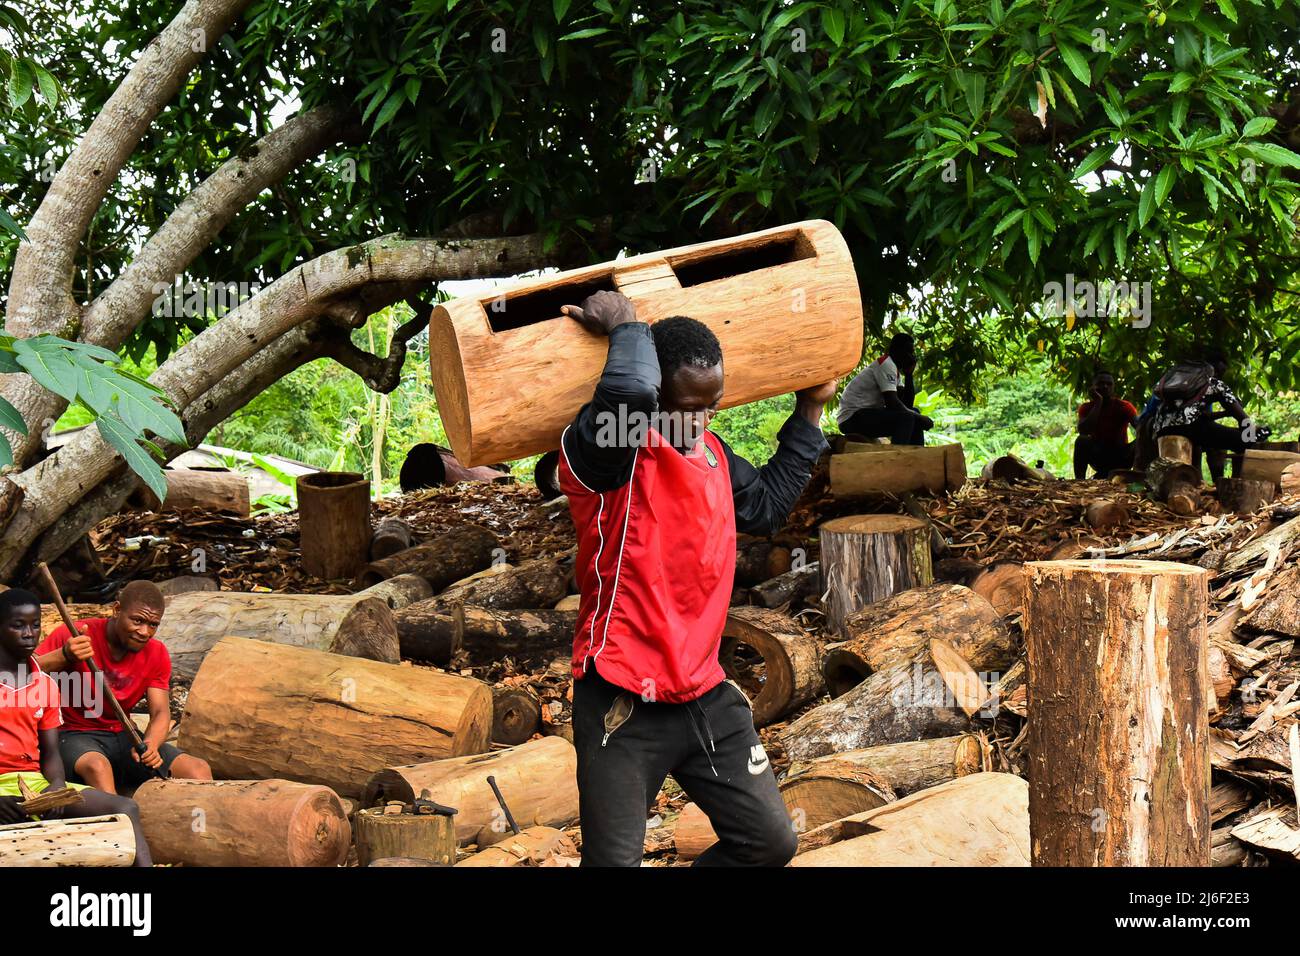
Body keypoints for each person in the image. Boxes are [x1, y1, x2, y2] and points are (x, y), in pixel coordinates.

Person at [557, 291, 833, 867]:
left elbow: (763, 508)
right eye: (684, 406)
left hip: (704, 695)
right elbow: (628, 392)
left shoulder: (711, 451)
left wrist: (809, 412)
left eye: (711, 406)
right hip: (621, 699)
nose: (698, 421)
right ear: (656, 394)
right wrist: (628, 325)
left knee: (770, 843)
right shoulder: (608, 453)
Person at [0, 589, 153, 865]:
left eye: (35, 625)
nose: (29, 634)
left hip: (31, 783)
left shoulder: (44, 684)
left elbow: (50, 753)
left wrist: (57, 786)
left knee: (125, 808)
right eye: (17, 625)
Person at [35, 580, 210, 793]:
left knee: (198, 770)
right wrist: (64, 655)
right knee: (98, 767)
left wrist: (152, 744)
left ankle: (194, 824)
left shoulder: (156, 653)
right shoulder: (75, 635)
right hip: (73, 734)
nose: (145, 632)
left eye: (153, 625)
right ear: (117, 610)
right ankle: (121, 821)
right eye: (137, 620)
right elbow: (21, 675)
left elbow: (160, 713)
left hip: (124, 734)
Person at [1150, 358, 1264, 478]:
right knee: (1248, 439)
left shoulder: (1179, 380)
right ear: (1218, 371)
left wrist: (1225, 414)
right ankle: (1242, 480)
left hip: (1161, 429)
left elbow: (1201, 416)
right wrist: (1247, 436)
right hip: (1191, 428)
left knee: (1213, 434)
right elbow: (1243, 419)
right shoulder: (1215, 384)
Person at [835, 332, 933, 444]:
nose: (912, 357)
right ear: (897, 351)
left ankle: (917, 456)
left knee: (913, 413)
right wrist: (920, 418)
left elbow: (907, 404)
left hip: (866, 415)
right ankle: (897, 457)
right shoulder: (886, 364)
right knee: (908, 417)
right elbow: (893, 403)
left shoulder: (895, 371)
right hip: (851, 418)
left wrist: (909, 375)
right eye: (909, 352)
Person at [1073, 370, 1138, 478]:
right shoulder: (1086, 407)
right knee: (1081, 441)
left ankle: (1139, 477)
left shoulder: (1124, 406)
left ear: (1113, 387)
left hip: (1121, 456)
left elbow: (1140, 428)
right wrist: (1098, 402)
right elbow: (1084, 430)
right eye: (1100, 383)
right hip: (1099, 455)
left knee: (1142, 439)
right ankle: (1079, 481)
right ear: (1093, 387)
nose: (1105, 386)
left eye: (1109, 384)